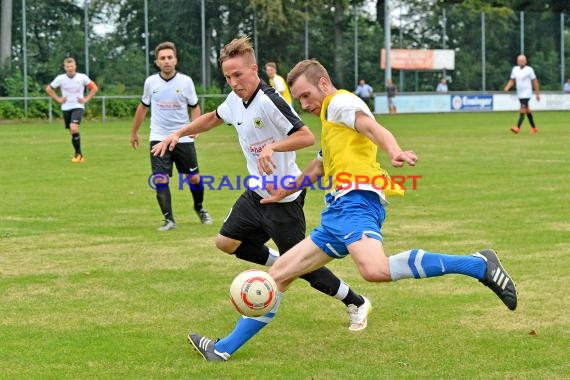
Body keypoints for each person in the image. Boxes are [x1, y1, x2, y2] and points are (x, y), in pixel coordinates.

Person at [188, 58, 519, 361]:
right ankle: (222, 350)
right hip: (337, 211)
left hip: (357, 198)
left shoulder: (341, 103)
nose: (304, 105)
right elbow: (316, 169)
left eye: (305, 96)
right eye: (299, 100)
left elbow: (372, 128)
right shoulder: (332, 123)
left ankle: (477, 264)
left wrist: (395, 150)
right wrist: (282, 192)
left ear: (323, 82)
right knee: (278, 275)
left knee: (373, 269)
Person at [152, 37, 371, 361]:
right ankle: (280, 263)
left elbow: (305, 135)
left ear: (253, 69)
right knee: (226, 242)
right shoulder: (234, 100)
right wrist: (178, 133)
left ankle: (355, 301)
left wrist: (272, 147)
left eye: (238, 75)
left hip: (284, 198)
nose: (233, 82)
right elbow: (213, 117)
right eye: (228, 77)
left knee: (305, 269)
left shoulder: (270, 100)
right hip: (256, 193)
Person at [130, 41, 212, 231]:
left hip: (182, 137)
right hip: (158, 137)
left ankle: (199, 208)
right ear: (157, 62)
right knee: (160, 178)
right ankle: (169, 220)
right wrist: (134, 132)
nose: (166, 61)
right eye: (162, 58)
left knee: (194, 179)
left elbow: (195, 106)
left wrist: (194, 128)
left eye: (169, 57)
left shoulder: (185, 82)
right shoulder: (151, 83)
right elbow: (143, 107)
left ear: (175, 60)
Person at [45, 57, 98, 163]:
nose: (70, 68)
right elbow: (49, 89)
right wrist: (58, 99)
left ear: (75, 66)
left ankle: (78, 155)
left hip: (78, 106)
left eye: (71, 66)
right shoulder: (60, 78)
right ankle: (79, 154)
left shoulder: (82, 77)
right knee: (73, 132)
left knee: (73, 128)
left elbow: (94, 88)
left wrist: (86, 99)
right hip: (66, 107)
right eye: (67, 66)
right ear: (65, 67)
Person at [504, 54, 540, 134]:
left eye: (523, 61)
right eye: (520, 61)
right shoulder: (515, 69)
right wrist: (507, 87)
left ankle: (517, 127)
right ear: (517, 61)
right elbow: (512, 80)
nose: (521, 62)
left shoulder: (529, 70)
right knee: (527, 111)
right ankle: (534, 128)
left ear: (526, 61)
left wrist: (537, 93)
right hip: (519, 94)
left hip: (527, 94)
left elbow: (535, 81)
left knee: (522, 109)